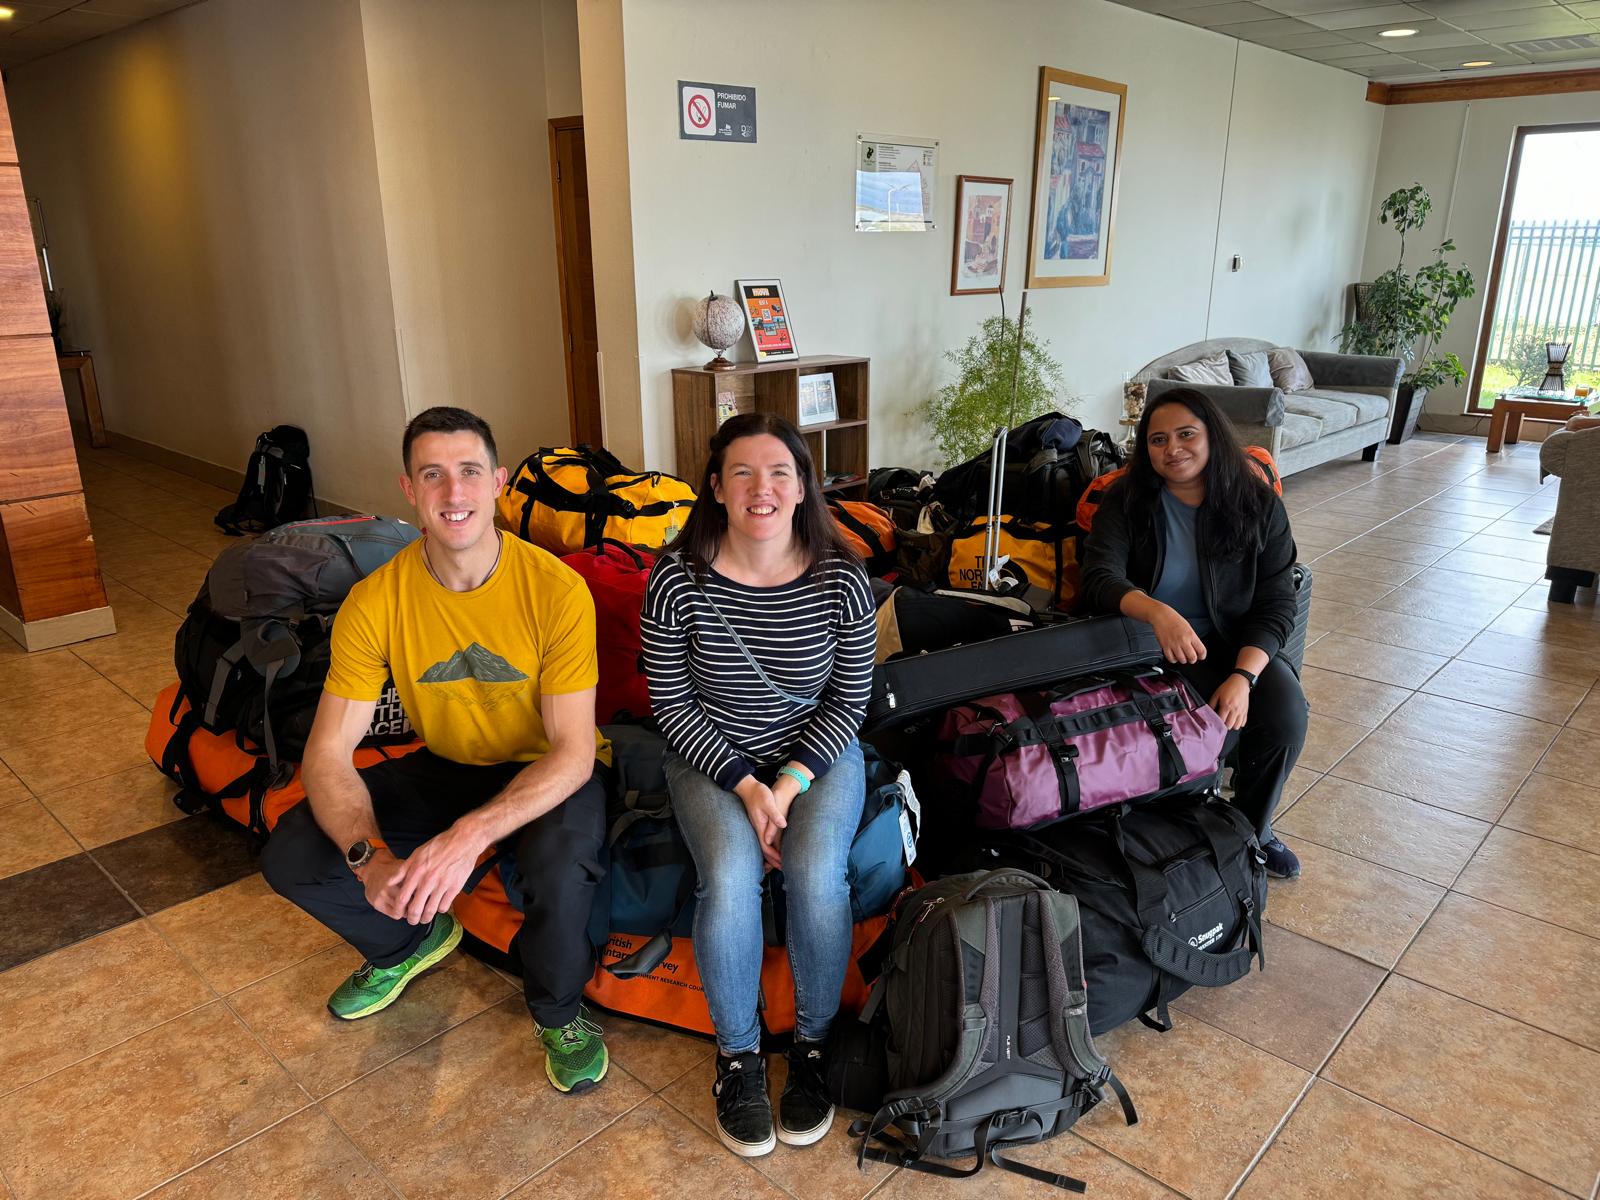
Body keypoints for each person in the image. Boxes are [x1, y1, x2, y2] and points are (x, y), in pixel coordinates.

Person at [260, 406, 612, 1094]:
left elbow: (572, 753)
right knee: (294, 854)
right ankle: (408, 943)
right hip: (450, 764)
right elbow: (328, 754)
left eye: (470, 472)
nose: (454, 493)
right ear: (409, 489)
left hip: (548, 768)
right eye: (434, 475)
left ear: (499, 484)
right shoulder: (374, 601)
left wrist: (466, 838)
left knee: (562, 869)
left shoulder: (557, 590)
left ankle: (558, 1014)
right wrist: (370, 859)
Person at [640, 412, 875, 1158]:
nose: (762, 488)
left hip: (820, 754)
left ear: (804, 486)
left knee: (813, 872)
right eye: (741, 472)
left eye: (780, 472)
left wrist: (791, 780)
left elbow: (850, 699)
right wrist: (748, 788)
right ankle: (738, 1057)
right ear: (714, 486)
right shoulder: (675, 579)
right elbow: (671, 704)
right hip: (712, 757)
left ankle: (811, 1045)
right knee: (730, 875)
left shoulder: (843, 577)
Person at [1082, 387, 1306, 880]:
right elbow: (1099, 578)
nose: (1172, 449)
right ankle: (1175, 836)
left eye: (1187, 434)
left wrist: (1244, 677)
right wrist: (1157, 612)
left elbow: (1277, 601)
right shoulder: (1128, 499)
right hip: (1149, 648)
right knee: (1187, 734)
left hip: (1233, 646)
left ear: (1212, 436)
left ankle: (1253, 831)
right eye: (1158, 439)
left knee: (1285, 718)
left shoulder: (1257, 506)